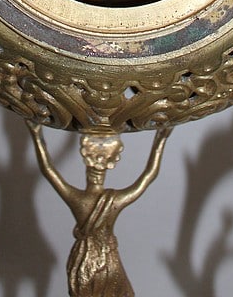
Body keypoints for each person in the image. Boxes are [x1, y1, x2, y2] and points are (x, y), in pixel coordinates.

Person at [27, 122, 171, 297]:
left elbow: (48, 170)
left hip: (88, 260)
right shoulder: (111, 200)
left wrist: (36, 135)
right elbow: (148, 176)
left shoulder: (80, 199)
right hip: (104, 258)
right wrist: (160, 140)